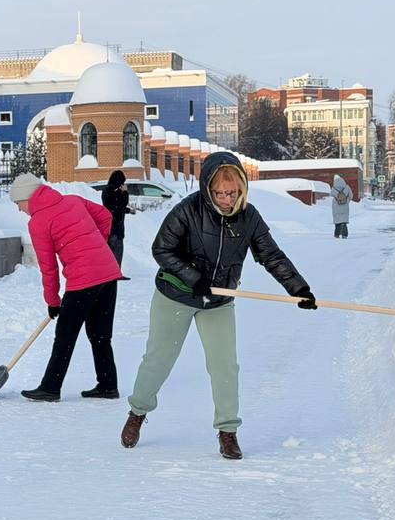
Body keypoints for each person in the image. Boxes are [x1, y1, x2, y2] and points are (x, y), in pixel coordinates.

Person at [121, 152, 316, 460]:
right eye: (219, 193)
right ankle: (138, 411)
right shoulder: (188, 210)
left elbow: (272, 256)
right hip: (176, 294)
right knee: (158, 359)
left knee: (225, 366)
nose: (226, 199)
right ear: (208, 189)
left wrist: (298, 287)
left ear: (242, 189)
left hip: (218, 300)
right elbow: (161, 248)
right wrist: (191, 276)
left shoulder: (249, 217)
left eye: (232, 192)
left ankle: (228, 431)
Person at [11, 173, 123, 402]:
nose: (18, 209)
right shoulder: (71, 200)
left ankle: (50, 388)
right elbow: (104, 216)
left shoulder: (39, 222)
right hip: (108, 272)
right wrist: (97, 245)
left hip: (84, 279)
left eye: (17, 203)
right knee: (100, 334)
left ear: (27, 198)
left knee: (65, 335)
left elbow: (48, 267)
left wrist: (52, 301)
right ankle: (108, 384)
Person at [100, 169, 136, 266]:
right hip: (115, 227)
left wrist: (129, 211)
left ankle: (111, 273)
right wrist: (125, 192)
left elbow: (116, 207)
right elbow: (121, 205)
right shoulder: (115, 191)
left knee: (111, 252)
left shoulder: (107, 190)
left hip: (110, 226)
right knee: (117, 252)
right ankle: (114, 274)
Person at [330, 173, 352, 238]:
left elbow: (331, 195)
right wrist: (347, 200)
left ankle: (337, 234)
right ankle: (344, 234)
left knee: (337, 221)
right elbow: (351, 196)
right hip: (345, 206)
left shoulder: (333, 188)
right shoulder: (347, 187)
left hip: (336, 206)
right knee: (344, 221)